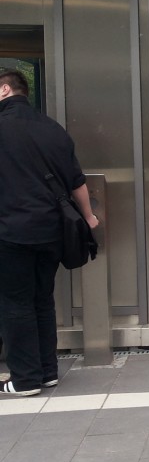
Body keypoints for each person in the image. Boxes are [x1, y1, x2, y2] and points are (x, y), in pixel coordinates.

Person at [0, 70, 100, 395]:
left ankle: (25, 379)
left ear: (4, 90)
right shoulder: (53, 129)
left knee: (16, 303)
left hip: (11, 230)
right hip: (52, 231)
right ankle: (47, 371)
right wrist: (88, 217)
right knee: (42, 299)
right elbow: (77, 180)